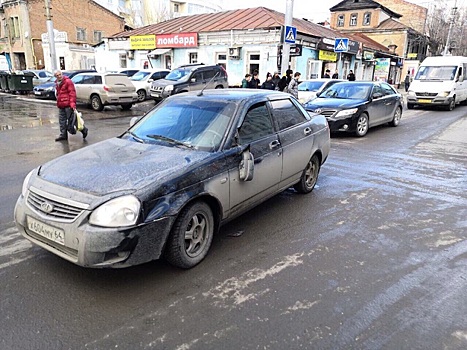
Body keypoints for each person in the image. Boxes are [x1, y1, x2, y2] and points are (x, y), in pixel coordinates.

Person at [54, 69, 88, 141]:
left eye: (60, 74)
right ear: (55, 76)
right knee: (62, 121)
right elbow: (58, 94)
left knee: (73, 121)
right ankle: (63, 135)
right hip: (61, 105)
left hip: (68, 105)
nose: (59, 76)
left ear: (62, 74)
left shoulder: (68, 81)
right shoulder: (57, 83)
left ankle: (84, 130)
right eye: (57, 75)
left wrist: (72, 104)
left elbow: (72, 93)